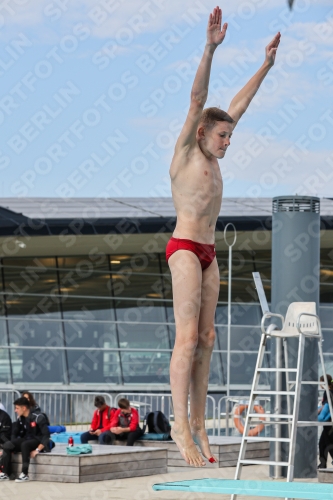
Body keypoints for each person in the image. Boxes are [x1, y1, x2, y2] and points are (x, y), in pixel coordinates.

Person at [166, 6, 281, 466]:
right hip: (185, 249)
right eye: (222, 137)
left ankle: (198, 422)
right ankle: (179, 425)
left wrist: (266, 66)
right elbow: (200, 98)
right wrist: (210, 48)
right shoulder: (187, 154)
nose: (228, 142)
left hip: (210, 252)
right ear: (201, 134)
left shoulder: (214, 158)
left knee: (209, 337)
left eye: (230, 138)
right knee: (188, 338)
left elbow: (238, 104)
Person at [0, 397, 53, 482]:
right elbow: (15, 433)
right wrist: (12, 447)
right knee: (7, 445)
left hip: (38, 440)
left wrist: (37, 450)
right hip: (26, 439)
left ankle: (25, 474)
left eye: (17, 408)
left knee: (25, 445)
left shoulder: (38, 417)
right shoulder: (21, 418)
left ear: (24, 408)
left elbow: (46, 436)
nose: (15, 410)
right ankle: (5, 473)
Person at [318, 375, 333, 468]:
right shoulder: (330, 392)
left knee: (328, 443)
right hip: (329, 422)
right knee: (322, 443)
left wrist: (318, 410)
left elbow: (327, 406)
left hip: (329, 423)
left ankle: (323, 464)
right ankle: (323, 464)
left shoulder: (328, 392)